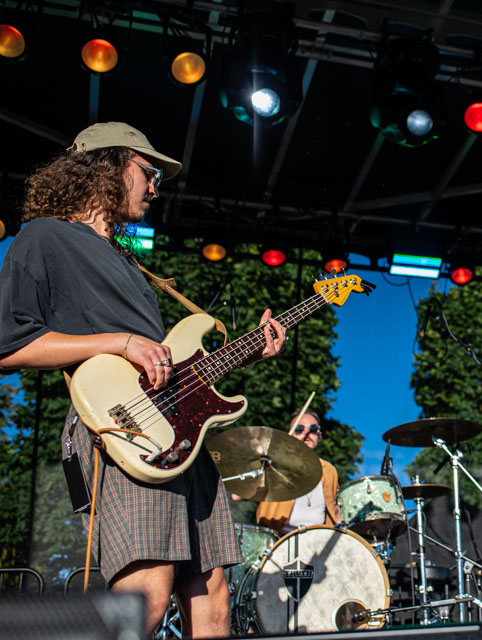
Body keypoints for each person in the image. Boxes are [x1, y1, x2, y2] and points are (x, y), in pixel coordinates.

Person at [0, 122, 287, 638]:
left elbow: (168, 366)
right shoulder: (44, 235)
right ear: (107, 164)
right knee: (147, 595)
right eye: (148, 172)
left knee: (212, 595)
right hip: (124, 424)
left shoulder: (127, 261)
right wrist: (117, 342)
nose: (156, 187)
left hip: (182, 430)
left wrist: (249, 354)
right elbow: (9, 345)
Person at [255, 410, 342, 532]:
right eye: (299, 429)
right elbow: (237, 496)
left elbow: (336, 512)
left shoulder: (329, 470)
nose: (306, 433)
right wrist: (262, 466)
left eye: (313, 429)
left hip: (319, 541)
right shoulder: (274, 464)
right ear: (290, 437)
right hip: (278, 540)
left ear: (319, 435)